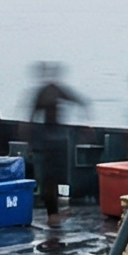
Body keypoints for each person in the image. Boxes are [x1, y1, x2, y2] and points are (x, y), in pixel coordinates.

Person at [26, 63, 86, 209]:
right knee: (51, 178)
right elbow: (79, 101)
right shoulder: (51, 91)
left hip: (52, 140)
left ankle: (53, 209)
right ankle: (52, 210)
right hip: (51, 140)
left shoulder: (48, 91)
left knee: (51, 177)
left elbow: (31, 118)